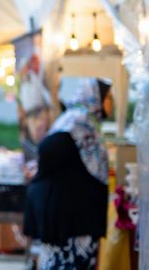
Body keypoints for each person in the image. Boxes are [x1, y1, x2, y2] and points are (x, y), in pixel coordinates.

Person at [24, 77, 113, 270]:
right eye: (109, 98)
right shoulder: (81, 124)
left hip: (63, 216)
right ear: (96, 97)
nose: (111, 103)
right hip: (72, 219)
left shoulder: (71, 120)